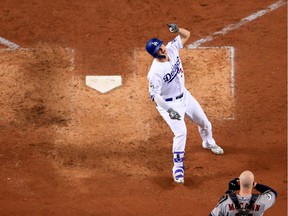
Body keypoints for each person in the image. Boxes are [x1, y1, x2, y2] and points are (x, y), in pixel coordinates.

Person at [145, 24, 224, 184]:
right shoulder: (154, 73)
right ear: (154, 54)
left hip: (185, 97)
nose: (162, 49)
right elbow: (154, 96)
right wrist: (170, 110)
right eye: (158, 49)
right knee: (181, 133)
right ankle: (178, 167)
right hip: (168, 104)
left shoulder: (171, 49)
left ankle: (208, 142)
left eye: (161, 45)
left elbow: (186, 35)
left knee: (205, 123)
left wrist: (177, 30)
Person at [210, 170, 277, 216]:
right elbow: (273, 193)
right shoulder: (262, 201)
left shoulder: (225, 202)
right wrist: (256, 185)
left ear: (239, 183)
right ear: (252, 183)